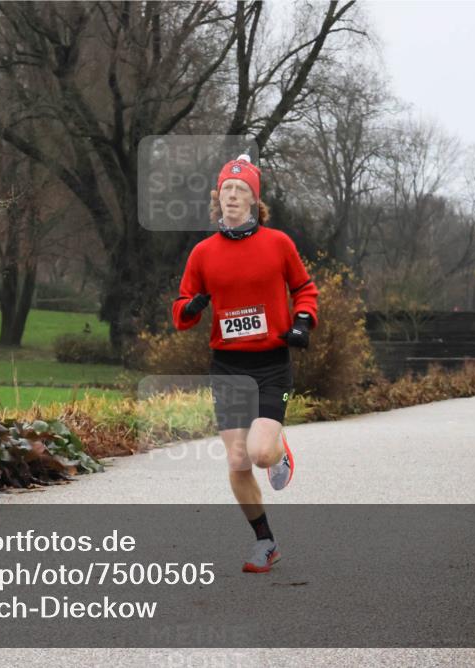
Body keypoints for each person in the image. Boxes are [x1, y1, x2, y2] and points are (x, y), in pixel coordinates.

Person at [172, 154, 319, 574]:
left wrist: (303, 322)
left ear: (255, 201)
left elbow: (305, 289)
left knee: (258, 454)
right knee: (237, 462)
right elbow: (181, 311)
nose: (234, 197)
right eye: (227, 191)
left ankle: (277, 452)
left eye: (243, 191)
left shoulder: (279, 244)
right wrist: (192, 307)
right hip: (228, 368)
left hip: (272, 364)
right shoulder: (202, 253)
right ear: (218, 200)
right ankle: (266, 543)